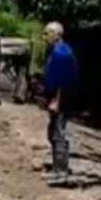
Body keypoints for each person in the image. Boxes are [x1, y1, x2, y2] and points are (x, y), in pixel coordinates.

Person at [41, 21, 79, 184]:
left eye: (46, 33)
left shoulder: (61, 53)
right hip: (57, 98)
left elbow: (63, 81)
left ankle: (61, 172)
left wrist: (57, 100)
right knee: (53, 133)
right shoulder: (57, 51)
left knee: (59, 134)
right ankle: (57, 168)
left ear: (56, 35)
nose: (44, 37)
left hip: (62, 100)